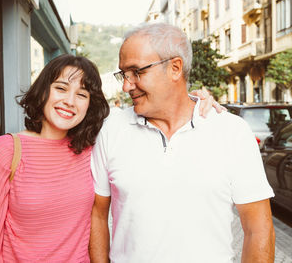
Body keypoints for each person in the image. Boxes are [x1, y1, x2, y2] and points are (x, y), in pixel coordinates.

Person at [90, 23, 275, 263]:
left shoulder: (231, 132)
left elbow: (258, 229)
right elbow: (98, 215)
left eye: (136, 72)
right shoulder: (112, 130)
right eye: (123, 74)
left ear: (175, 68)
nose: (126, 85)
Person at [0, 54, 110, 262]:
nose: (69, 101)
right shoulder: (5, 150)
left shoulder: (91, 151)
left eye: (82, 94)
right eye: (61, 88)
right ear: (43, 90)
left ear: (90, 104)